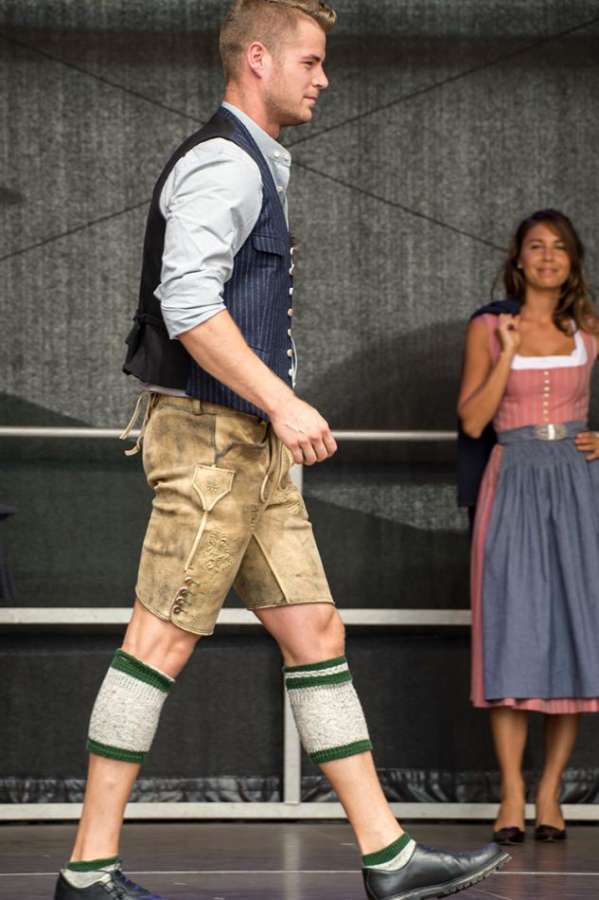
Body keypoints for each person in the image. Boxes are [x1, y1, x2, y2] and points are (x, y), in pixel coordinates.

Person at [53, 2, 507, 898]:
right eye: (311, 61)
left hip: (250, 450)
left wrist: (272, 417)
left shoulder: (253, 161)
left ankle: (387, 855)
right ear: (257, 58)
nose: (323, 78)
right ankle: (87, 871)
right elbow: (188, 304)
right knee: (157, 642)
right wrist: (283, 401)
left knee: (314, 631)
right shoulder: (223, 162)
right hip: (212, 444)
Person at [458, 209, 599, 846]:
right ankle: (512, 792)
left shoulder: (588, 328)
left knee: (572, 631)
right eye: (536, 247)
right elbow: (473, 421)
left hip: (576, 482)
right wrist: (508, 353)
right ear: (518, 259)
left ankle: (550, 793)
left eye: (559, 247)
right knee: (511, 629)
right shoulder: (490, 327)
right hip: (511, 476)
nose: (547, 257)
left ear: (572, 260)